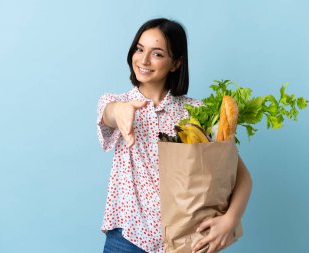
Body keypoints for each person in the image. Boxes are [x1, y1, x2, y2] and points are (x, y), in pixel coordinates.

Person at [97, 18, 252, 253]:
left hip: (184, 242)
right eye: (140, 49)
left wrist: (230, 220)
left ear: (176, 63)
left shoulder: (196, 113)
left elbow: (241, 176)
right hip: (127, 239)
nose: (144, 60)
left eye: (157, 54)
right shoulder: (115, 102)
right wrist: (120, 112)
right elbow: (109, 114)